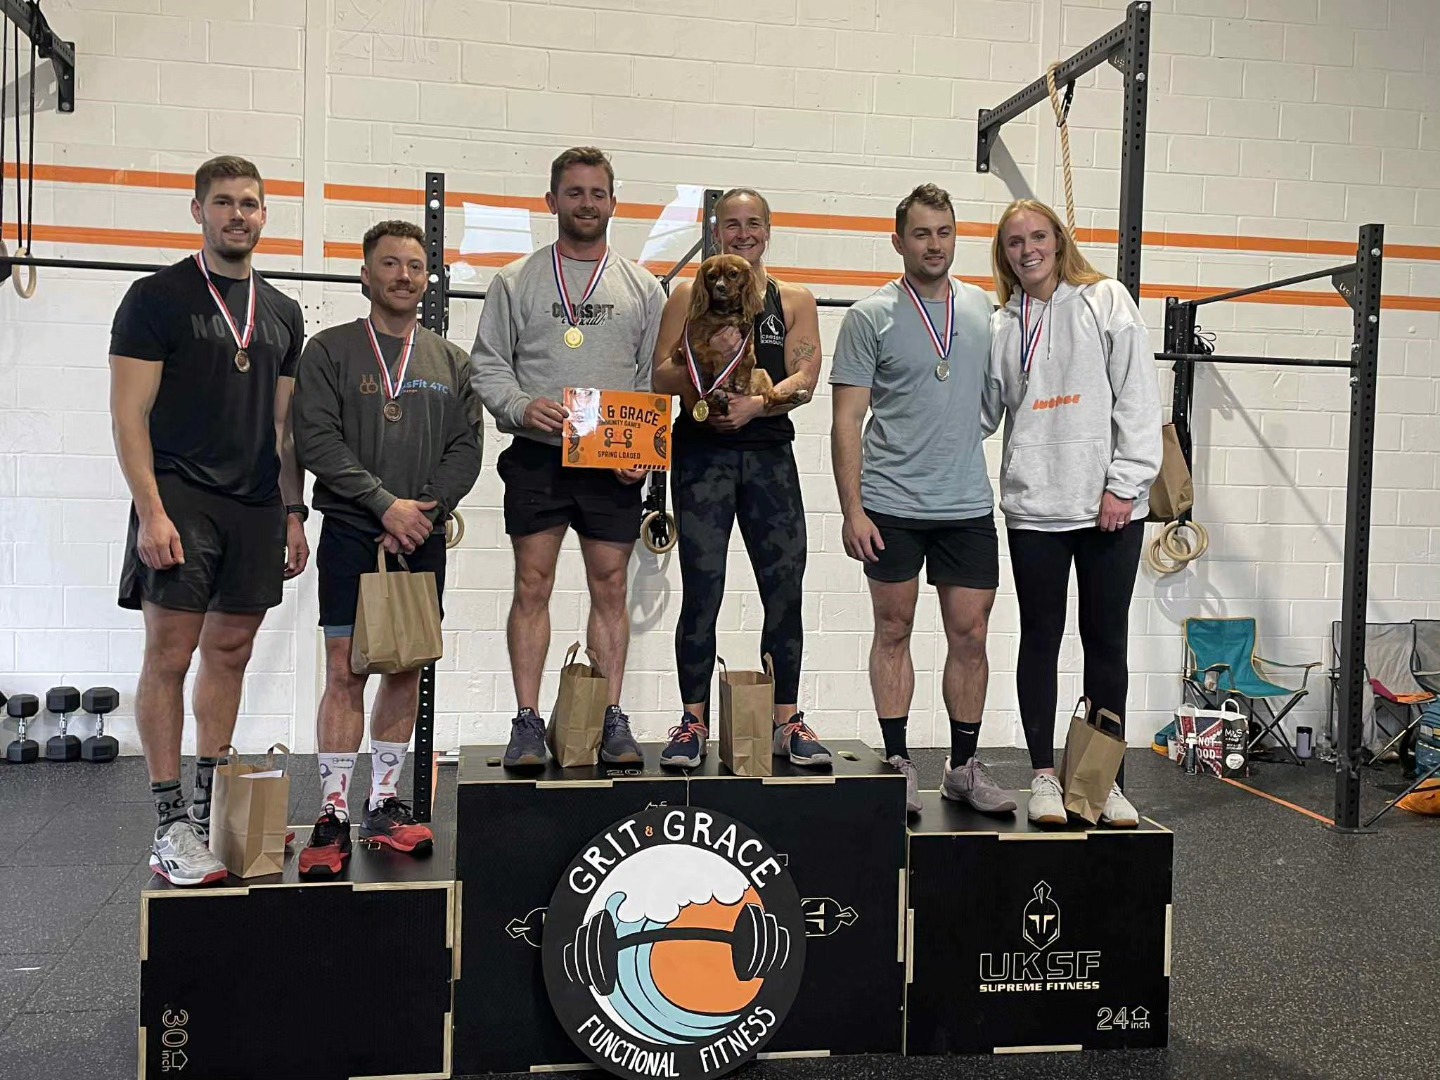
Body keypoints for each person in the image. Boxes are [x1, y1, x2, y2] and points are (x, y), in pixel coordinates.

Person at [109, 155, 308, 886]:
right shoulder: (156, 298)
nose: (237, 215)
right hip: (180, 496)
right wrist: (150, 511)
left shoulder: (283, 312)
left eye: (249, 204)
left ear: (264, 215)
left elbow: (285, 429)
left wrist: (293, 513)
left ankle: (208, 804)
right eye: (223, 202)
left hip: (255, 504)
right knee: (171, 654)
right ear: (198, 211)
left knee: (231, 651)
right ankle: (169, 823)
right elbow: (128, 413)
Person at [292, 220, 483, 878]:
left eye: (415, 265)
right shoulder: (329, 351)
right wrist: (384, 505)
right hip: (353, 531)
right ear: (365, 275)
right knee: (346, 671)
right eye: (391, 264)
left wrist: (424, 509)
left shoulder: (451, 362)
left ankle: (382, 805)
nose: (404, 275)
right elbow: (317, 441)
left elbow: (467, 448)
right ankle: (332, 813)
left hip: (421, 535)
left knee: (406, 668)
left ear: (428, 279)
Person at [470, 146, 665, 768]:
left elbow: (652, 378)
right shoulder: (515, 281)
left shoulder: (642, 287)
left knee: (611, 586)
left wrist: (643, 451)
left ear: (613, 202)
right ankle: (527, 721)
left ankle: (610, 716)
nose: (586, 203)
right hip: (538, 457)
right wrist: (521, 406)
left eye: (597, 193)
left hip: (612, 463)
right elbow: (487, 365)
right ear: (552, 200)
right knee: (533, 584)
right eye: (574, 192)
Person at [830, 183, 1015, 818]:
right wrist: (853, 510)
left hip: (965, 504)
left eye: (944, 232)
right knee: (894, 629)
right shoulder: (869, 316)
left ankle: (963, 767)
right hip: (890, 504)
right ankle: (898, 762)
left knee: (971, 634)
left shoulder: (984, 309)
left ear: (955, 236)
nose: (934, 245)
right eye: (921, 234)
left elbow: (995, 398)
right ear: (898, 241)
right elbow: (846, 421)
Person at [983, 198, 1162, 828]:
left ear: (1058, 241)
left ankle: (1100, 780)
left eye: (1037, 237)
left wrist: (1125, 484)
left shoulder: (1106, 300)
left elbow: (1138, 400)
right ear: (1003, 254)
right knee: (1040, 638)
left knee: (1105, 642)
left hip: (1109, 506)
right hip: (1035, 506)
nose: (1027, 250)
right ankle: (1043, 775)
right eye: (1014, 242)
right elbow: (984, 412)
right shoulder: (1001, 325)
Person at [651, 188, 830, 769]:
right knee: (702, 589)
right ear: (716, 231)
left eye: (753, 223)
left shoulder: (793, 299)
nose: (743, 234)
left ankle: (786, 720)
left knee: (784, 587)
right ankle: (692, 722)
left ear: (768, 230)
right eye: (732, 224)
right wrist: (702, 370)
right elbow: (659, 375)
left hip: (768, 454)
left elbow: (806, 376)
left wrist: (761, 403)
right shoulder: (689, 294)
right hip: (702, 453)